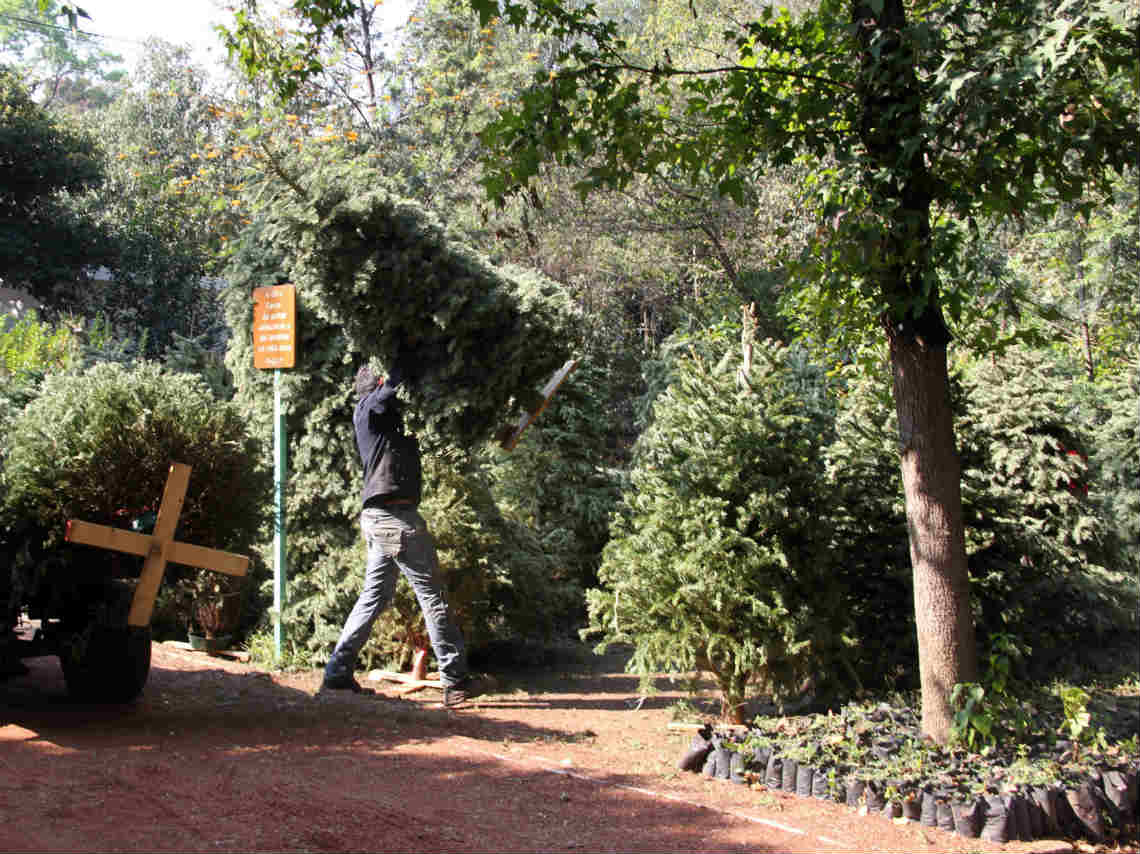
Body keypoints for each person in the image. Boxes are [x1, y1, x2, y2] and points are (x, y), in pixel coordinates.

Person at [320, 360, 481, 708]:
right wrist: (413, 351)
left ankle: (337, 673)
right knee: (432, 596)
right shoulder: (370, 407)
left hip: (381, 518)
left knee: (374, 596)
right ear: (377, 384)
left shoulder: (381, 417)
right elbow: (397, 380)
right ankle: (456, 682)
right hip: (395, 519)